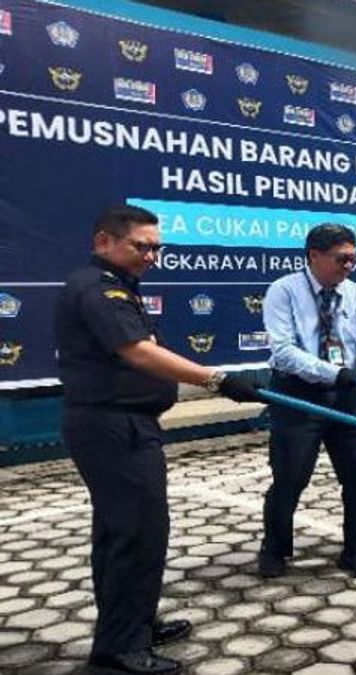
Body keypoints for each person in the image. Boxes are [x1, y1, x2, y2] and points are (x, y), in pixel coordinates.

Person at [55, 205, 260, 675]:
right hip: (114, 428)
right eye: (140, 246)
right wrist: (217, 380)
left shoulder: (116, 285)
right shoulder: (98, 288)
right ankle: (119, 652)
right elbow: (138, 352)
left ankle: (132, 625)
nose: (151, 255)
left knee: (120, 532)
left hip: (120, 425)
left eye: (155, 247)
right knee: (137, 535)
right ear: (104, 241)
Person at [258, 224, 356, 580]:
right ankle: (274, 549)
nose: (349, 266)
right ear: (314, 255)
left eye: (353, 259)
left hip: (347, 394)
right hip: (297, 393)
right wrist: (330, 372)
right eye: (341, 259)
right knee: (290, 476)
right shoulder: (283, 291)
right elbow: (284, 352)